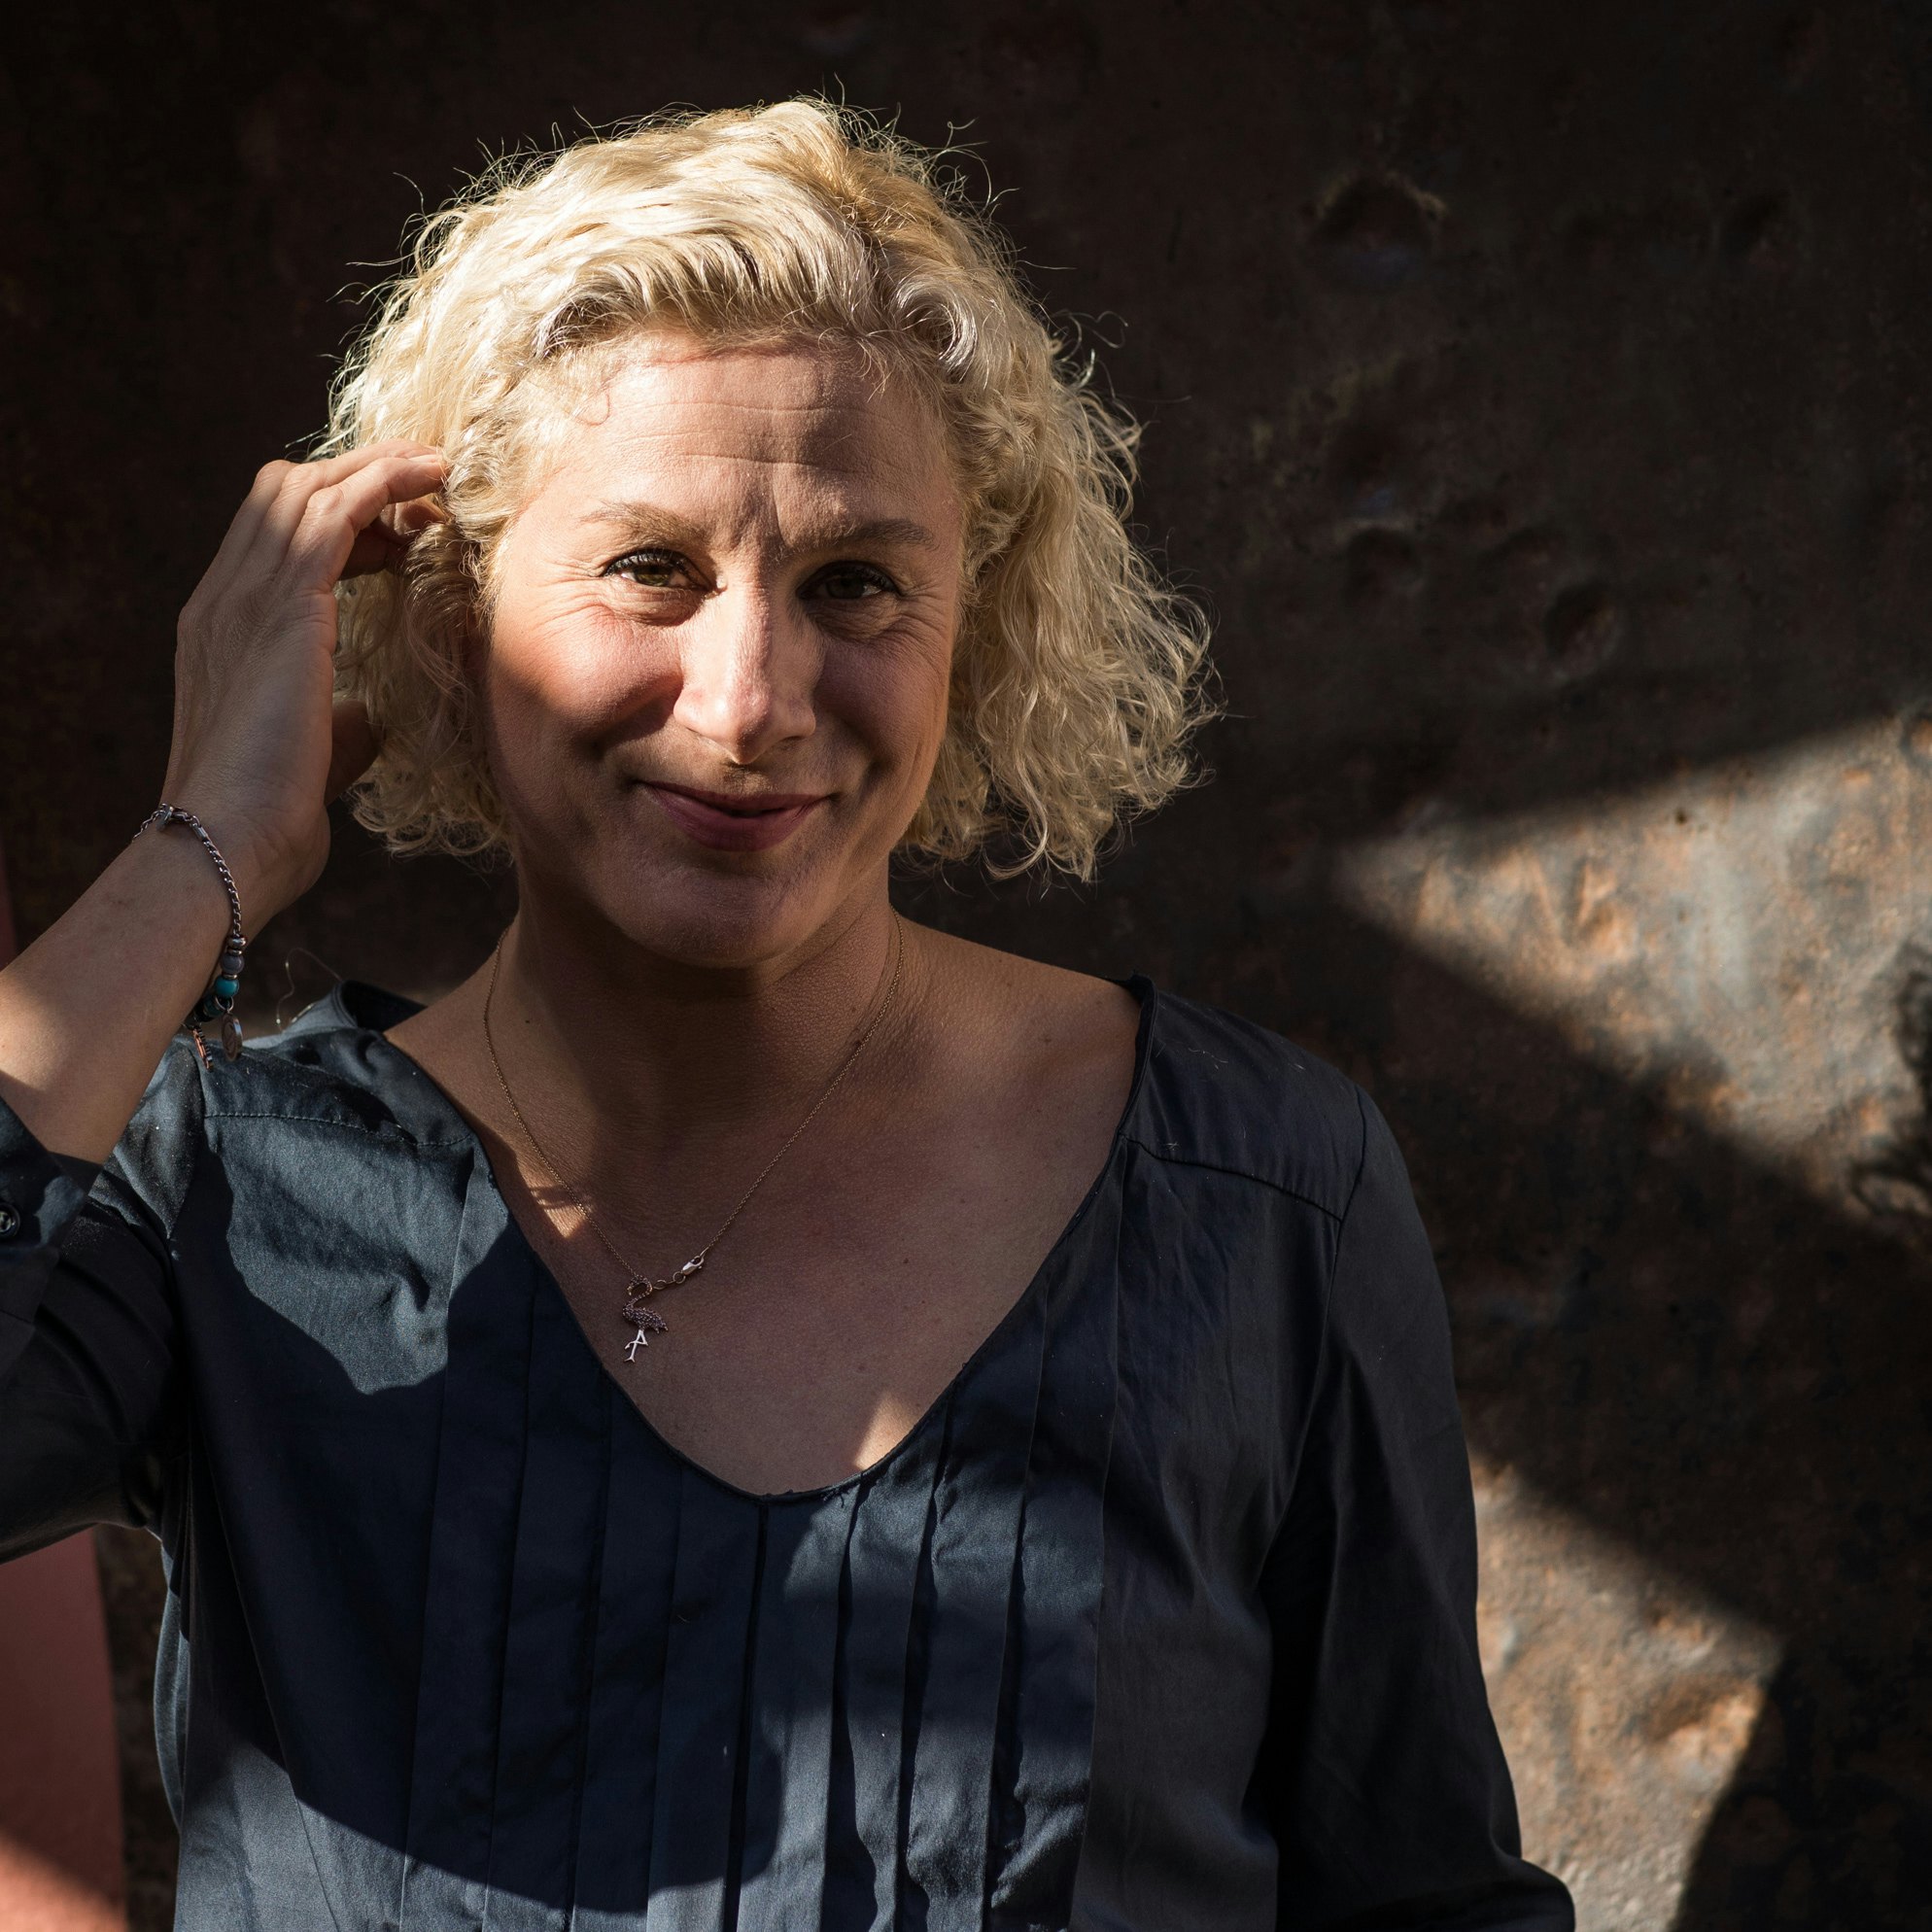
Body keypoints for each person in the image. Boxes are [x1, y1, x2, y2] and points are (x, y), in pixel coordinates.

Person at [0, 100, 1572, 1930]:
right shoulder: (221, 1195)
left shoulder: (1257, 1196)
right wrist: (209, 843)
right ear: (444, 611)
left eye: (855, 585)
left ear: (977, 626)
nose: (749, 700)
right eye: (649, 570)